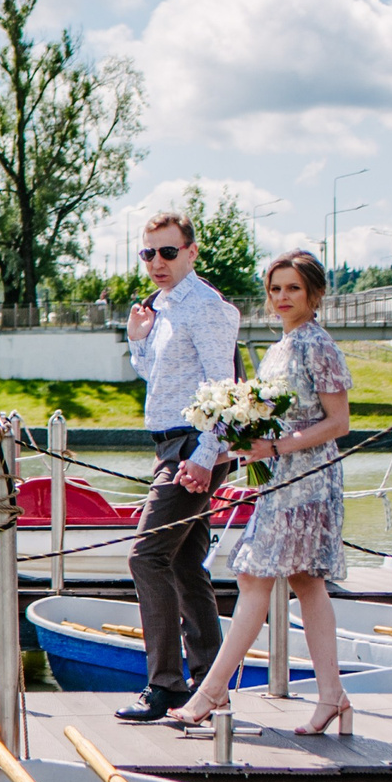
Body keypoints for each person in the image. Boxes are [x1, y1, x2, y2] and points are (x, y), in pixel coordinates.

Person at [165, 250, 355, 737]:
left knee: (253, 578)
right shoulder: (278, 348)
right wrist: (216, 460)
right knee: (305, 583)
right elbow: (266, 427)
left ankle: (210, 692)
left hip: (308, 480)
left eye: (292, 288)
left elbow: (339, 422)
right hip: (280, 475)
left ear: (314, 293)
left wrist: (279, 445)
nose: (282, 298)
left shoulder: (317, 344)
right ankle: (332, 696)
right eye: (275, 289)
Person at [114, 210, 242, 723]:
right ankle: (211, 685)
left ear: (191, 252)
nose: (157, 263)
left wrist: (205, 457)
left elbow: (225, 388)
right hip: (170, 445)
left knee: (146, 557)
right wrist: (138, 339)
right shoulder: (161, 306)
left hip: (192, 446)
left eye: (168, 252)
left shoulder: (207, 308)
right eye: (148, 253)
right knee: (186, 565)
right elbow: (157, 377)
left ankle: (165, 685)